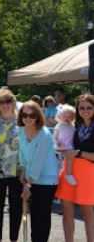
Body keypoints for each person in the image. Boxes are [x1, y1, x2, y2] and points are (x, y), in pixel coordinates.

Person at [18, 101, 59, 242]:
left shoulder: (44, 134)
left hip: (46, 180)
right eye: (24, 115)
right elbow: (22, 155)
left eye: (32, 115)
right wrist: (23, 173)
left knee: (41, 217)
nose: (28, 118)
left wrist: (28, 185)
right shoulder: (21, 131)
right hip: (29, 178)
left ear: (38, 116)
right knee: (34, 215)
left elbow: (38, 162)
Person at [0, 88, 22, 242]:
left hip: (17, 171)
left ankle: (14, 239)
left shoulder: (21, 120)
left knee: (16, 208)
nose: (5, 105)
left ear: (13, 103)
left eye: (8, 101)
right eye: (2, 102)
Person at [56, 94, 94, 242]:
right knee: (66, 212)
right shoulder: (74, 126)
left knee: (88, 213)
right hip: (69, 171)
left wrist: (79, 153)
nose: (85, 110)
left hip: (88, 173)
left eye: (89, 107)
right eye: (82, 107)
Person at [54, 104, 77, 186]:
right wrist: (57, 142)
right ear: (60, 116)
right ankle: (59, 176)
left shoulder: (73, 126)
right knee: (59, 162)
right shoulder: (59, 125)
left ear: (73, 118)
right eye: (65, 116)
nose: (67, 118)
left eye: (70, 117)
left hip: (69, 146)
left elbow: (74, 137)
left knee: (69, 160)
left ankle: (68, 174)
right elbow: (55, 136)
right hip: (60, 146)